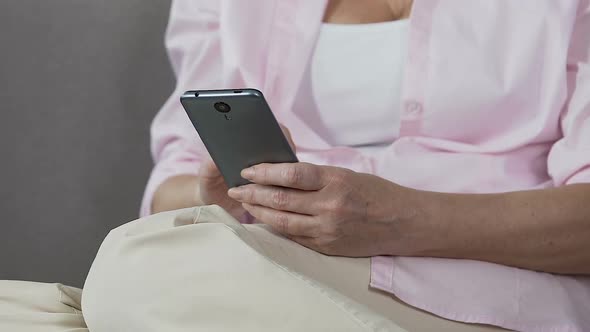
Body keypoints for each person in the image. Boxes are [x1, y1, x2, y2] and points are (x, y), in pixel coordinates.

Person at [2, 0, 589, 331]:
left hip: (481, 291)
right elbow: (169, 186)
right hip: (265, 267)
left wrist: (397, 219)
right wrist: (217, 195)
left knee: (136, 274)